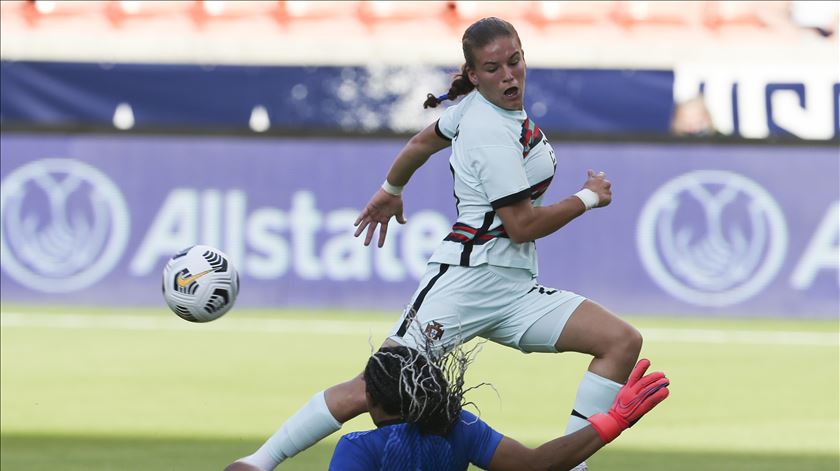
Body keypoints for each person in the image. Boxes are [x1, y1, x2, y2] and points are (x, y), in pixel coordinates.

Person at [226, 16, 643, 471]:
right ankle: (258, 462)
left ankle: (573, 466)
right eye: (492, 68)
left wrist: (391, 189)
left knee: (620, 341)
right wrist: (588, 198)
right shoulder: (489, 132)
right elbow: (521, 225)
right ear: (472, 75)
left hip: (515, 288)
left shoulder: (476, 110)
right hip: (465, 282)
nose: (508, 75)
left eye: (514, 61)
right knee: (371, 389)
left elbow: (421, 142)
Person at [329, 347, 669, 471]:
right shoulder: (458, 427)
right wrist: (613, 420)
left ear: (370, 399)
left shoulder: (356, 448)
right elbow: (539, 465)